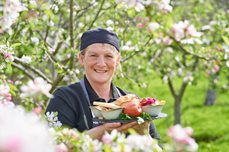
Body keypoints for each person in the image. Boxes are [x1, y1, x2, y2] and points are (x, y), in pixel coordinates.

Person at [46, 28, 160, 140]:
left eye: (109, 56)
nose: (101, 63)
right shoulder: (65, 98)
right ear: (81, 59)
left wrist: (144, 136)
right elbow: (54, 145)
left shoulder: (132, 102)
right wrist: (100, 132)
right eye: (93, 55)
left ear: (117, 61)